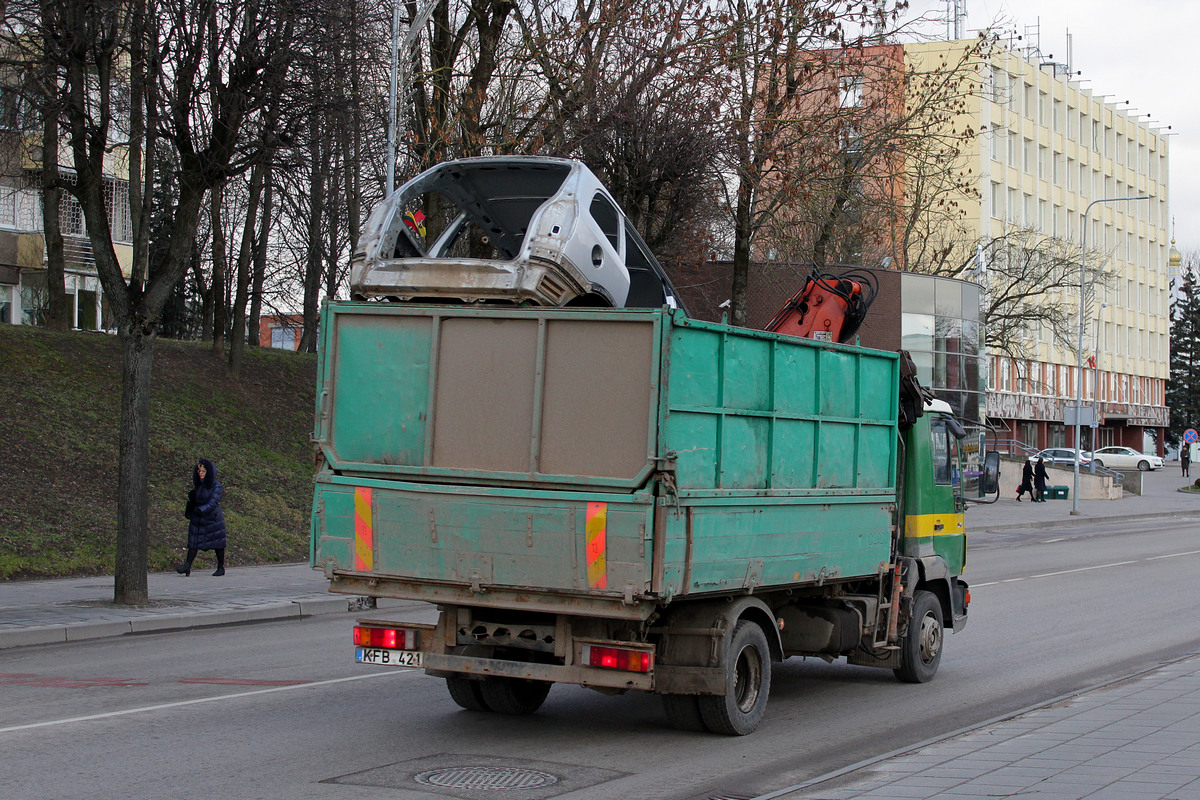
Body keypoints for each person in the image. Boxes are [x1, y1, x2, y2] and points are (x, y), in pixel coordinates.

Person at [177, 458, 227, 576]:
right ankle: (187, 565)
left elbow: (214, 501)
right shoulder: (199, 486)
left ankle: (221, 567)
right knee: (193, 542)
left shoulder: (216, 486)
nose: (200, 474)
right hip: (198, 517)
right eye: (199, 471)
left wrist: (202, 509)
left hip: (213, 518)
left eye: (203, 471)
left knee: (218, 543)